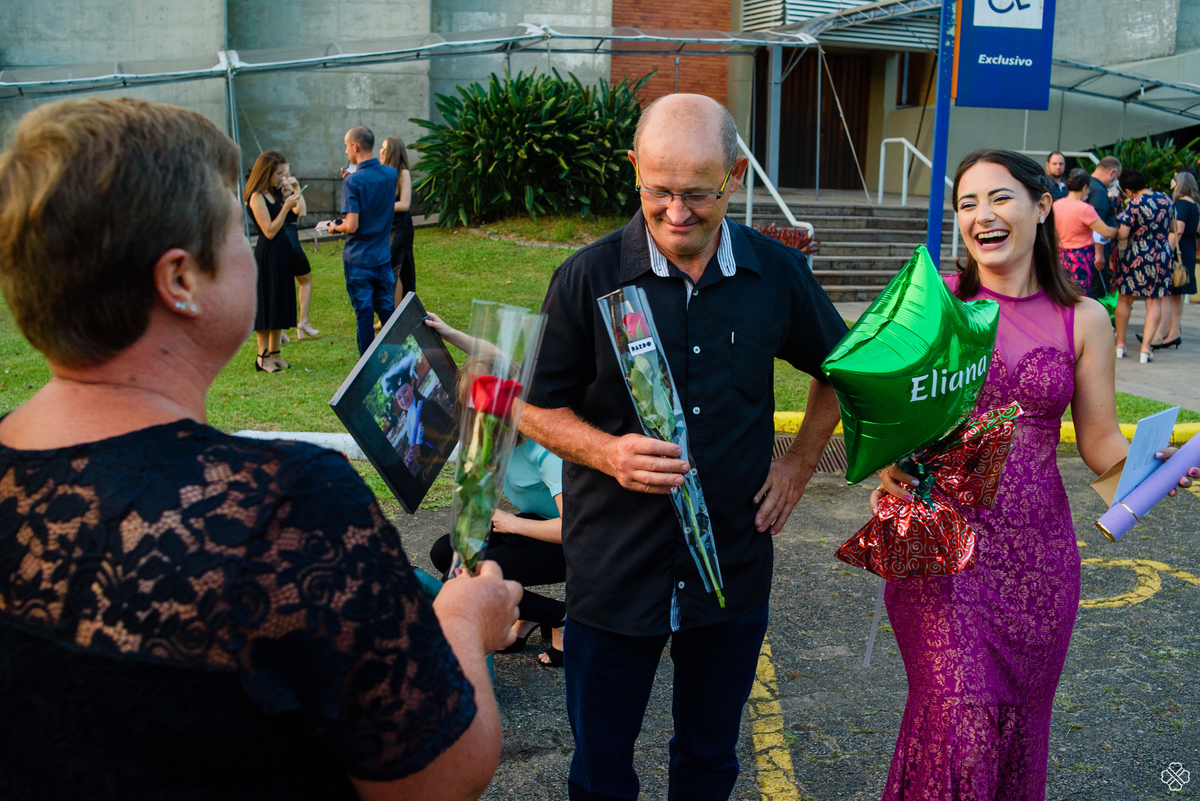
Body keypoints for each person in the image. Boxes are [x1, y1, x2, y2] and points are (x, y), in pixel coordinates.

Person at [0, 96, 524, 800]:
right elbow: (440, 775)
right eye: (234, 233)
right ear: (181, 280)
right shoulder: (289, 506)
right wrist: (464, 616)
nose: (250, 250)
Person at [521, 93, 847, 801]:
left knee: (708, 760)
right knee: (600, 769)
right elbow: (531, 404)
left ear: (733, 174)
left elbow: (841, 371)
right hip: (614, 567)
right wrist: (608, 452)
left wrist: (796, 465)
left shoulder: (774, 273)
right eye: (657, 190)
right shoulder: (588, 277)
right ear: (635, 168)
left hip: (730, 565)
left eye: (697, 193)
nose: (675, 212)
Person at [873, 149, 1199, 801]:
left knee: (1015, 735)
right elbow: (877, 405)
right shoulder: (935, 300)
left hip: (1037, 566)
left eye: (998, 198)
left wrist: (1153, 468)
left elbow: (1102, 443)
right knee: (956, 726)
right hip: (942, 549)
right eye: (967, 203)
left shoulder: (1086, 318)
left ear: (1041, 206)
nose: (982, 215)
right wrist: (886, 455)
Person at [425, 312, 568, 668]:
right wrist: (449, 331)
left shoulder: (543, 447)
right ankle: (541, 614)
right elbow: (493, 356)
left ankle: (563, 617)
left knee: (475, 573)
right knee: (447, 553)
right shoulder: (497, 424)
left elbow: (574, 526)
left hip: (576, 542)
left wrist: (511, 523)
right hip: (537, 523)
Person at [321, 126, 398, 355]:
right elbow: (375, 197)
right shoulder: (391, 174)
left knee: (364, 317)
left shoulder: (353, 183)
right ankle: (400, 359)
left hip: (358, 260)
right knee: (388, 312)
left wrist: (334, 227)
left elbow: (352, 225)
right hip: (383, 257)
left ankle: (366, 370)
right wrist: (352, 180)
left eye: (346, 146)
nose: (346, 152)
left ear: (355, 146)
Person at [244, 150, 299, 372]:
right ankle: (262, 355)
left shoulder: (272, 193)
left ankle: (275, 352)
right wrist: (285, 207)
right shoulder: (256, 196)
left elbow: (292, 215)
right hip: (268, 254)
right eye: (278, 174)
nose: (281, 179)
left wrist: (285, 199)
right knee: (268, 304)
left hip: (282, 252)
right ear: (266, 172)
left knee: (280, 301)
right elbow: (268, 230)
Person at [1114, 169, 1175, 363]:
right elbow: (1173, 228)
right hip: (1161, 253)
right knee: (1154, 301)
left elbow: (1123, 234)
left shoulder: (1134, 203)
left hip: (1138, 252)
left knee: (1124, 299)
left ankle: (1120, 345)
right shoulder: (1166, 199)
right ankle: (1145, 349)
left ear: (1129, 190)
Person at [1151, 170, 1198, 348]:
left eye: (1174, 181)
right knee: (1177, 296)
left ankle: (1159, 335)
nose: (1171, 184)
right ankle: (1173, 332)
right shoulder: (1194, 204)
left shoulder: (1181, 205)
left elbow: (1177, 230)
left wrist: (1166, 252)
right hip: (1188, 251)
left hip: (1177, 253)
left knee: (1167, 295)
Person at [1053, 167, 1117, 291]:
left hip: (1060, 255)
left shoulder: (1056, 205)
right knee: (1080, 294)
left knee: (1062, 291)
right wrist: (1117, 230)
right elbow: (1106, 232)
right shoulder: (1085, 209)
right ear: (1084, 188)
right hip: (1080, 257)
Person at [278, 162, 320, 340]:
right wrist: (293, 187)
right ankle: (300, 323)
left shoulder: (282, 188)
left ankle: (292, 326)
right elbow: (301, 211)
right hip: (288, 239)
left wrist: (296, 187)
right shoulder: (281, 189)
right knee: (303, 280)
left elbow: (301, 211)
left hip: (285, 238)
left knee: (296, 281)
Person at [380, 136, 416, 310]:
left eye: (384, 149)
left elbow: (405, 203)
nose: (380, 152)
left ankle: (395, 314)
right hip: (387, 225)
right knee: (388, 269)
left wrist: (382, 206)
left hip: (401, 227)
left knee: (397, 268)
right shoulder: (383, 172)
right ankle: (389, 312)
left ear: (393, 152)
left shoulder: (403, 173)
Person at [1085, 155, 1122, 297]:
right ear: (1112, 173)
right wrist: (1099, 253)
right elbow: (1097, 224)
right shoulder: (1100, 191)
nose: (1115, 181)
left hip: (1087, 247)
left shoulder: (1089, 185)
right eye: (1116, 176)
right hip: (1097, 249)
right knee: (1097, 292)